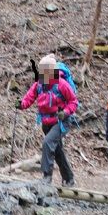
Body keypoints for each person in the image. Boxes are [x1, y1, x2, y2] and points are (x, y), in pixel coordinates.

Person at [17, 54, 78, 186]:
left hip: (61, 122)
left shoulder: (61, 84)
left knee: (47, 143)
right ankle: (69, 178)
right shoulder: (39, 84)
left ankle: (46, 177)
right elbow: (29, 98)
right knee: (56, 150)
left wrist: (65, 112)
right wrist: (21, 104)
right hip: (46, 123)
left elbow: (73, 102)